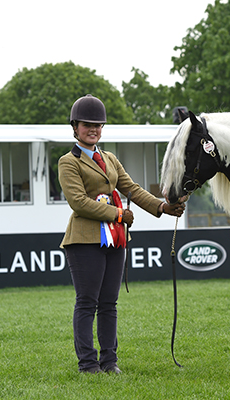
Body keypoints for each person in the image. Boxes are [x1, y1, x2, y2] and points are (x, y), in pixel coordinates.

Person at [58, 94, 186, 374]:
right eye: (87, 124)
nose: (93, 129)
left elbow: (132, 189)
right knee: (87, 302)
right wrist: (118, 215)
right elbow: (78, 201)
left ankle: (109, 361)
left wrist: (163, 207)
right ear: (75, 127)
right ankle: (88, 363)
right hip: (84, 240)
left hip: (116, 239)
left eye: (98, 125)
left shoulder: (110, 158)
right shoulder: (68, 162)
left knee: (109, 303)